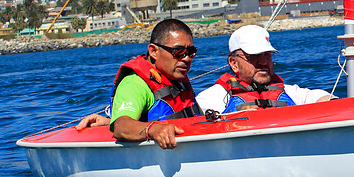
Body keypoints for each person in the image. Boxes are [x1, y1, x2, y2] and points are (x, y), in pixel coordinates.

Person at [77, 19, 202, 149]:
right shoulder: (135, 83)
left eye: (191, 52)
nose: (186, 58)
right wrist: (154, 130)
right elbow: (121, 127)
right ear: (154, 51)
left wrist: (108, 123)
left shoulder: (175, 77)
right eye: (178, 52)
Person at [196, 25, 332, 113]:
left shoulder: (289, 91)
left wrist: (330, 100)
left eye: (267, 55)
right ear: (234, 63)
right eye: (253, 56)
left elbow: (316, 96)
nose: (263, 62)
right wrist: (232, 117)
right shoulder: (212, 98)